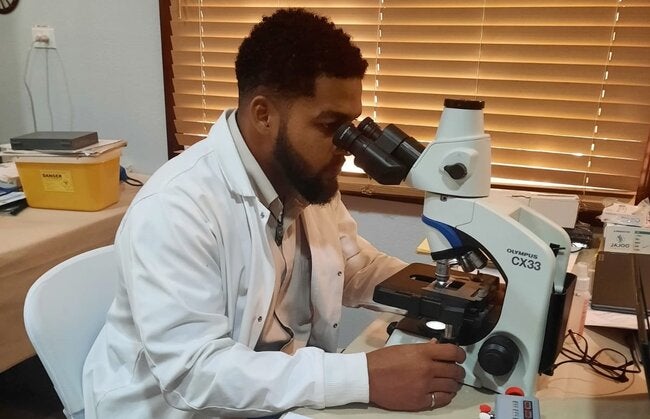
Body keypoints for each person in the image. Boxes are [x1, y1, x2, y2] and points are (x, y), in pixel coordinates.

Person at [82, 8, 465, 419]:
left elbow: (351, 266)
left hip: (268, 397)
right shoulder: (176, 209)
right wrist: (364, 376)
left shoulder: (302, 179)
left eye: (352, 126)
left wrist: (445, 293)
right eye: (330, 126)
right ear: (263, 114)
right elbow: (193, 374)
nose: (347, 147)